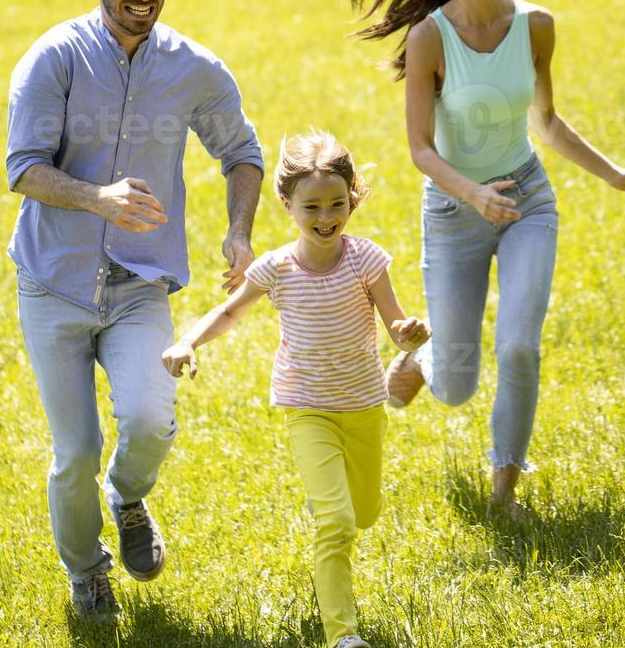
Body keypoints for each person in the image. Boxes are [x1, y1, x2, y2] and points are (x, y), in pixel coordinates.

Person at [319, 0, 625, 519]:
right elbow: (421, 150)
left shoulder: (536, 24)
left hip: (527, 200)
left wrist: (616, 174)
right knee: (456, 386)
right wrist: (473, 193)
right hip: (456, 214)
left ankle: (505, 485)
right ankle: (428, 360)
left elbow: (546, 120)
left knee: (518, 345)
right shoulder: (430, 37)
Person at [6, 0, 265, 619]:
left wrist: (238, 233)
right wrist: (98, 198)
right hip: (53, 283)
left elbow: (242, 152)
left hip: (138, 285)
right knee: (74, 452)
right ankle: (87, 573)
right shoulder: (54, 58)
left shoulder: (192, 68)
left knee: (150, 420)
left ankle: (127, 497)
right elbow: (23, 169)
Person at [162, 130, 430, 648]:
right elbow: (228, 312)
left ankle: (329, 499)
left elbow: (395, 324)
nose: (326, 217)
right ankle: (343, 635)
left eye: (336, 204)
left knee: (364, 513)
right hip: (307, 408)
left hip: (363, 404)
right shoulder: (276, 269)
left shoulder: (366, 260)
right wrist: (188, 342)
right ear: (287, 205)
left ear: (352, 198)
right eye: (312, 206)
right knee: (336, 522)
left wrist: (409, 333)